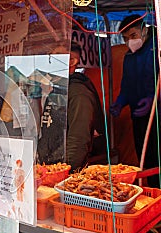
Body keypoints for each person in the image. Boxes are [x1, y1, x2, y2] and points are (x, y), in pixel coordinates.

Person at [109, 15, 160, 188]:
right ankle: (154, 195)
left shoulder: (157, 48)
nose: (129, 42)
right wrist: (120, 102)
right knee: (146, 160)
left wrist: (153, 98)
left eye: (132, 36)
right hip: (138, 118)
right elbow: (127, 86)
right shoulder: (129, 57)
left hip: (157, 117)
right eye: (125, 38)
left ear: (144, 30)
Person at [67, 42, 105, 171]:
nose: (49, 61)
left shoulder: (79, 93)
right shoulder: (57, 88)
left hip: (64, 171)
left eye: (54, 56)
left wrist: (66, 171)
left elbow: (78, 140)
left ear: (72, 61)